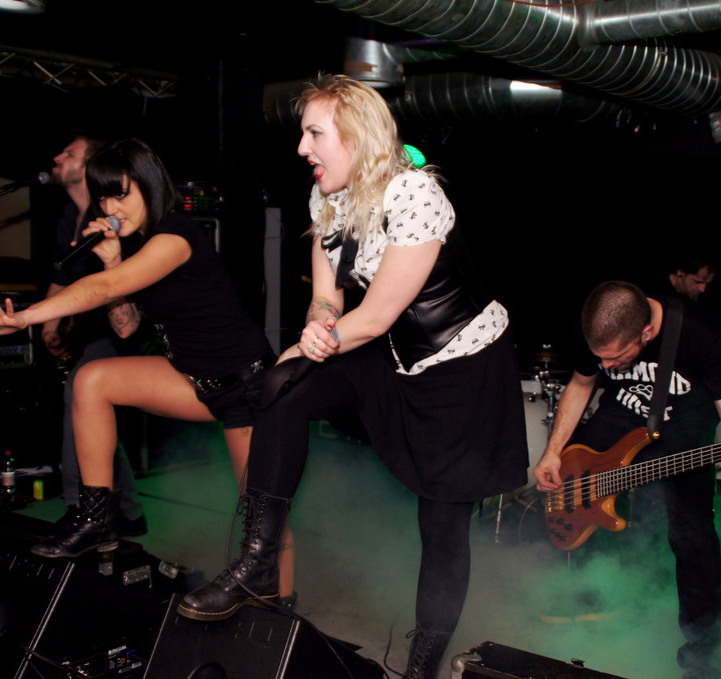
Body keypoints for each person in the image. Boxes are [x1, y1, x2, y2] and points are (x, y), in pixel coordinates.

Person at [176, 75, 528, 679]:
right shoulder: (328, 196)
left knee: (441, 525)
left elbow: (378, 314)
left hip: (461, 370)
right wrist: (317, 323)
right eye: (303, 134)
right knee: (281, 388)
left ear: (357, 137)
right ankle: (258, 561)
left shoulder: (415, 194)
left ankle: (421, 667)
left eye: (315, 134)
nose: (302, 148)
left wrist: (316, 341)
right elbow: (328, 292)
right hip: (384, 352)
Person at [0, 139, 294, 602]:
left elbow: (106, 288)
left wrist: (24, 317)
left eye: (121, 194)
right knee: (92, 379)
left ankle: (280, 614)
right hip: (191, 381)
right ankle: (97, 517)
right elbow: (126, 326)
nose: (110, 208)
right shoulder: (140, 243)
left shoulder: (175, 235)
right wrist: (114, 257)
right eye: (103, 198)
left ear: (149, 185)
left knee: (262, 520)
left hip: (248, 391)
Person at [533, 281, 721, 679]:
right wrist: (554, 450)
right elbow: (582, 383)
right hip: (619, 420)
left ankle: (704, 663)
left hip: (684, 439)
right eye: (601, 358)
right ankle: (589, 599)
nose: (607, 367)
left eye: (616, 358)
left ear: (646, 332)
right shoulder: (596, 327)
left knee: (694, 542)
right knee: (569, 491)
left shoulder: (704, 337)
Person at [42, 134, 148, 538]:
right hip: (87, 328)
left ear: (90, 165)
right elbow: (61, 276)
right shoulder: (68, 218)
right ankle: (131, 511)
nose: (57, 157)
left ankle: (79, 508)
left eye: (69, 153)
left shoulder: (117, 221)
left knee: (81, 395)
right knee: (93, 418)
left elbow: (117, 290)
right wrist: (49, 325)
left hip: (119, 328)